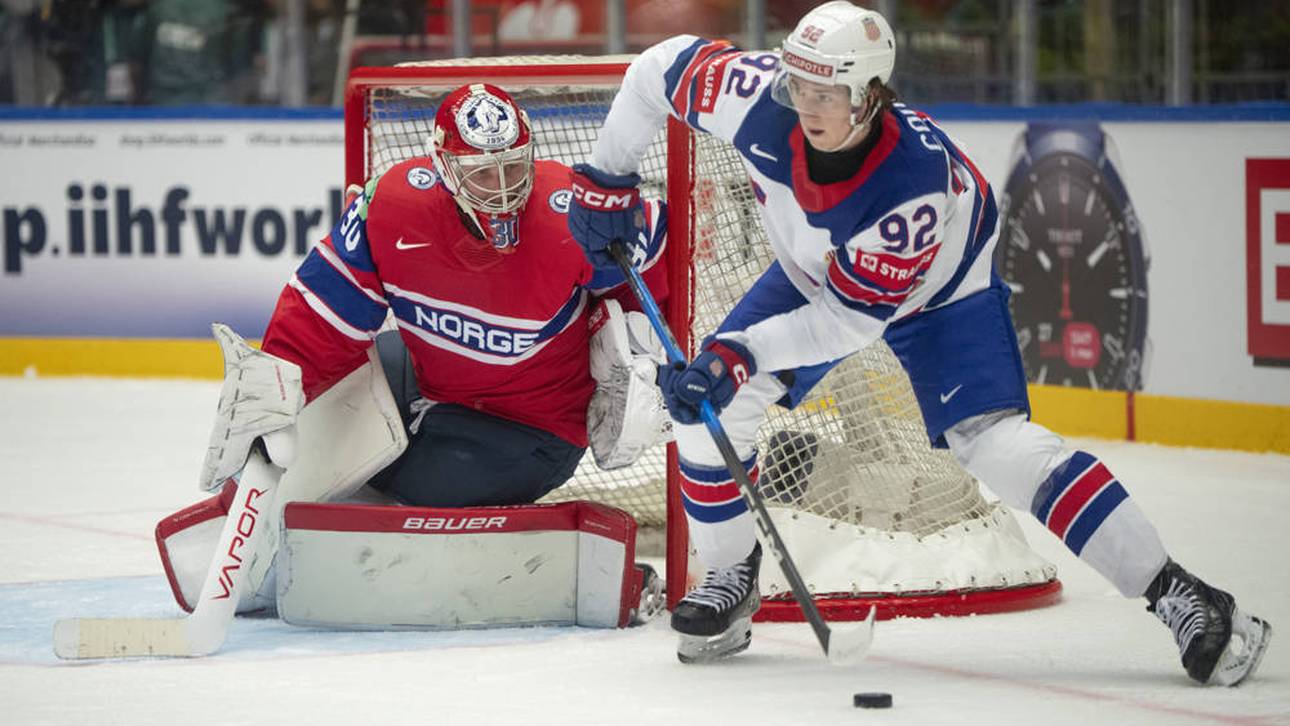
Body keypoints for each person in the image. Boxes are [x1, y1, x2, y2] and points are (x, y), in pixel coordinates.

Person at [565, 1, 1271, 682]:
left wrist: (740, 351)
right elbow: (658, 68)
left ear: (871, 96)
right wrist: (605, 177)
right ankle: (729, 575)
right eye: (798, 84)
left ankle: (1178, 592)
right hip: (818, 271)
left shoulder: (909, 188)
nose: (806, 105)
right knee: (709, 412)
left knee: (998, 448)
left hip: (942, 290)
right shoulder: (757, 97)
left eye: (827, 92)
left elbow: (848, 324)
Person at [223, 81, 670, 516]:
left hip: (533, 427)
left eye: (513, 167)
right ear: (443, 166)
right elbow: (322, 311)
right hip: (430, 384)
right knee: (324, 424)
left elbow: (659, 255)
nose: (501, 190)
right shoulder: (391, 206)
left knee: (405, 492)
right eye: (481, 174)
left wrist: (647, 358)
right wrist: (280, 385)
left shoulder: (572, 211)